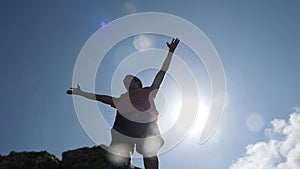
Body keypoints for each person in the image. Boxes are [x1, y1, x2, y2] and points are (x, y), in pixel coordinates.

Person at [67, 38, 180, 169]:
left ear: (138, 83)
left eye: (130, 80)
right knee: (119, 148)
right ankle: (123, 164)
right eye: (126, 82)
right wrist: (82, 93)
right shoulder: (122, 99)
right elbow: (103, 98)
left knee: (150, 149)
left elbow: (161, 73)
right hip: (125, 127)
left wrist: (170, 53)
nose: (127, 82)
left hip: (146, 125)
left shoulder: (148, 91)